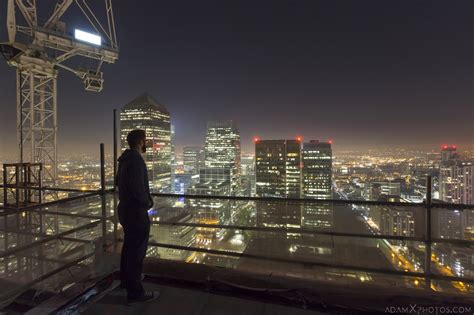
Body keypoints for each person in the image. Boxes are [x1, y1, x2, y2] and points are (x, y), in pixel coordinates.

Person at [116, 129, 159, 304]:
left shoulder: (124, 159)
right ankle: (135, 293)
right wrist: (147, 203)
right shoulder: (136, 160)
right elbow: (137, 188)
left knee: (129, 248)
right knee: (137, 252)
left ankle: (127, 281)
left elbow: (120, 182)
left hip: (125, 209)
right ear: (141, 141)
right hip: (135, 212)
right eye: (146, 140)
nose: (147, 143)